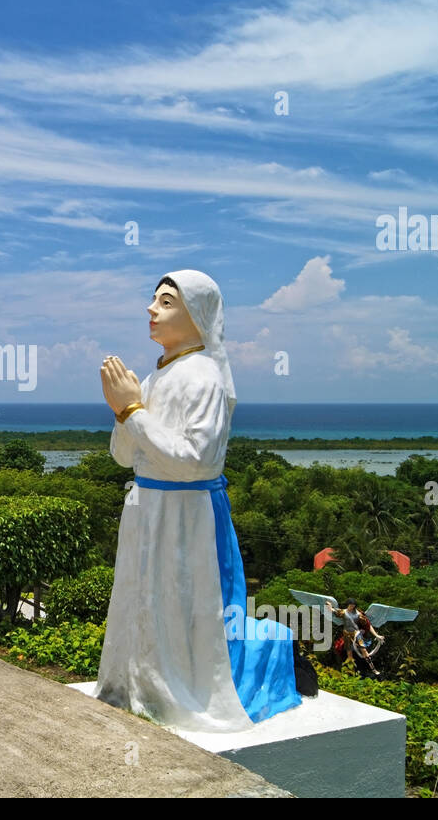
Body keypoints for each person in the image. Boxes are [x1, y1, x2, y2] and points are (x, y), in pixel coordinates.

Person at [95, 270, 301, 731]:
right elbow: (124, 455)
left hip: (186, 515)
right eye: (155, 300)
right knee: (142, 601)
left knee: (184, 611)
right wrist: (123, 410)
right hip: (146, 508)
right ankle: (138, 684)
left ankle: (179, 692)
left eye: (167, 303)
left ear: (197, 316)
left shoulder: (203, 377)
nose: (152, 309)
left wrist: (132, 411)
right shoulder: (155, 376)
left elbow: (195, 461)